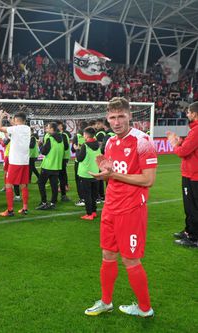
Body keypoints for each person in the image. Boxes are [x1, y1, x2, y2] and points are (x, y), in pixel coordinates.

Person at [85, 97, 157, 318]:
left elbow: (148, 180)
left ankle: (145, 309)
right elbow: (113, 176)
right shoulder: (109, 142)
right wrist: (107, 170)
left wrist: (113, 173)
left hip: (131, 208)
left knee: (130, 259)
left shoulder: (142, 141)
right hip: (111, 205)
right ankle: (106, 302)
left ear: (129, 116)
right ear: (107, 119)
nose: (116, 122)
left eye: (121, 116)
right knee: (107, 254)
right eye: (112, 117)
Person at [167, 101, 198, 247]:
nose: (187, 114)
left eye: (188, 112)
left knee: (193, 207)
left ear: (194, 114)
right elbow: (188, 147)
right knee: (190, 206)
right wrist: (180, 142)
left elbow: (183, 152)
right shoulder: (194, 130)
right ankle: (189, 231)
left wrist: (174, 144)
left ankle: (194, 238)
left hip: (194, 176)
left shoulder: (196, 130)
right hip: (191, 174)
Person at [0, 111, 31, 216]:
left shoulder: (15, 129)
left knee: (8, 185)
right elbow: (16, 126)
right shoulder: (27, 128)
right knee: (23, 185)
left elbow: (0, 128)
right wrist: (9, 117)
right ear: (24, 120)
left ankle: (10, 210)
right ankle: (25, 208)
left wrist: (1, 118)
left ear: (16, 120)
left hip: (15, 162)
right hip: (25, 162)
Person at [36, 122, 65, 210]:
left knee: (41, 183)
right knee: (54, 185)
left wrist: (40, 145)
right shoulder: (61, 139)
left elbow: (44, 152)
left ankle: (44, 202)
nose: (46, 129)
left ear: (52, 129)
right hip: (56, 166)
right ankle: (53, 203)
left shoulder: (50, 139)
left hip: (48, 165)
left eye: (48, 128)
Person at [76, 127, 101, 220]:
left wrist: (78, 150)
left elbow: (79, 158)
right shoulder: (97, 144)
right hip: (95, 172)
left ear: (86, 135)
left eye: (84, 134)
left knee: (87, 195)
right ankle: (94, 212)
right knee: (94, 194)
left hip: (86, 173)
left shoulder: (85, 145)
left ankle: (89, 214)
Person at [72, 121, 88, 206]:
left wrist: (77, 149)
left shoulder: (77, 136)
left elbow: (73, 149)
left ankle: (82, 199)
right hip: (89, 161)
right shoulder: (91, 136)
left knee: (79, 180)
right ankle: (94, 197)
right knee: (88, 180)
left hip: (79, 160)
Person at [57, 121, 71, 202]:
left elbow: (65, 146)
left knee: (62, 172)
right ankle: (63, 186)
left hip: (64, 156)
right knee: (62, 172)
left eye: (59, 125)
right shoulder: (60, 134)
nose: (57, 126)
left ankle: (64, 186)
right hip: (61, 156)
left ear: (62, 126)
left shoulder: (64, 135)